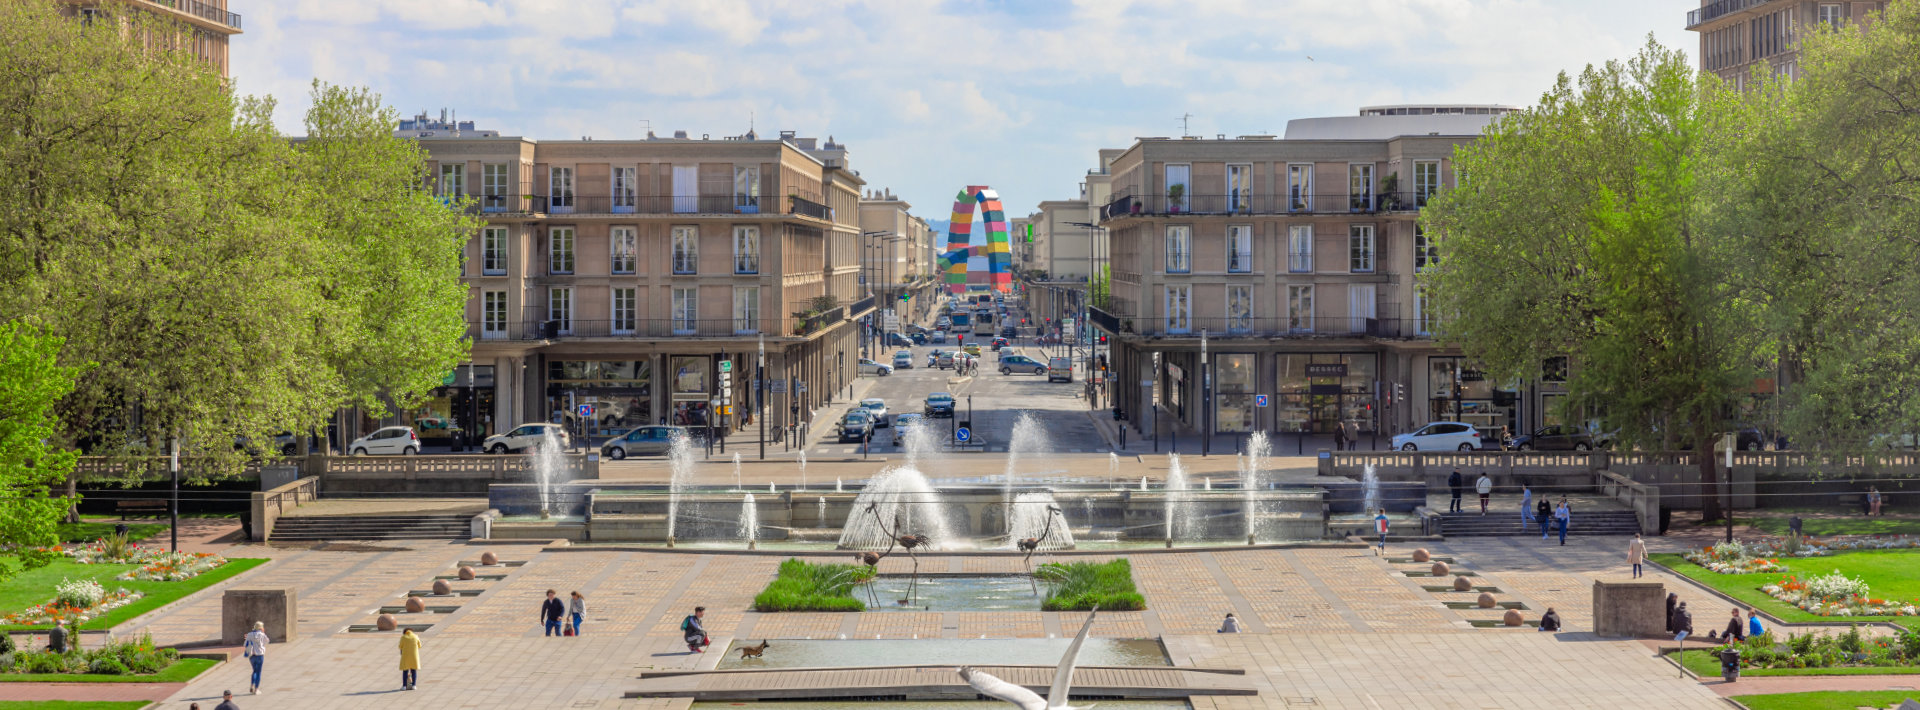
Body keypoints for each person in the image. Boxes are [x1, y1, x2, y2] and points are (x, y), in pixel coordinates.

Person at [242, 620, 268, 695]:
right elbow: (266, 641)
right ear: (261, 628)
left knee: (254, 670)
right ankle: (256, 689)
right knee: (258, 671)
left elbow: (245, 644)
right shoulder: (262, 635)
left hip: (251, 655)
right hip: (260, 655)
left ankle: (252, 684)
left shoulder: (249, 634)